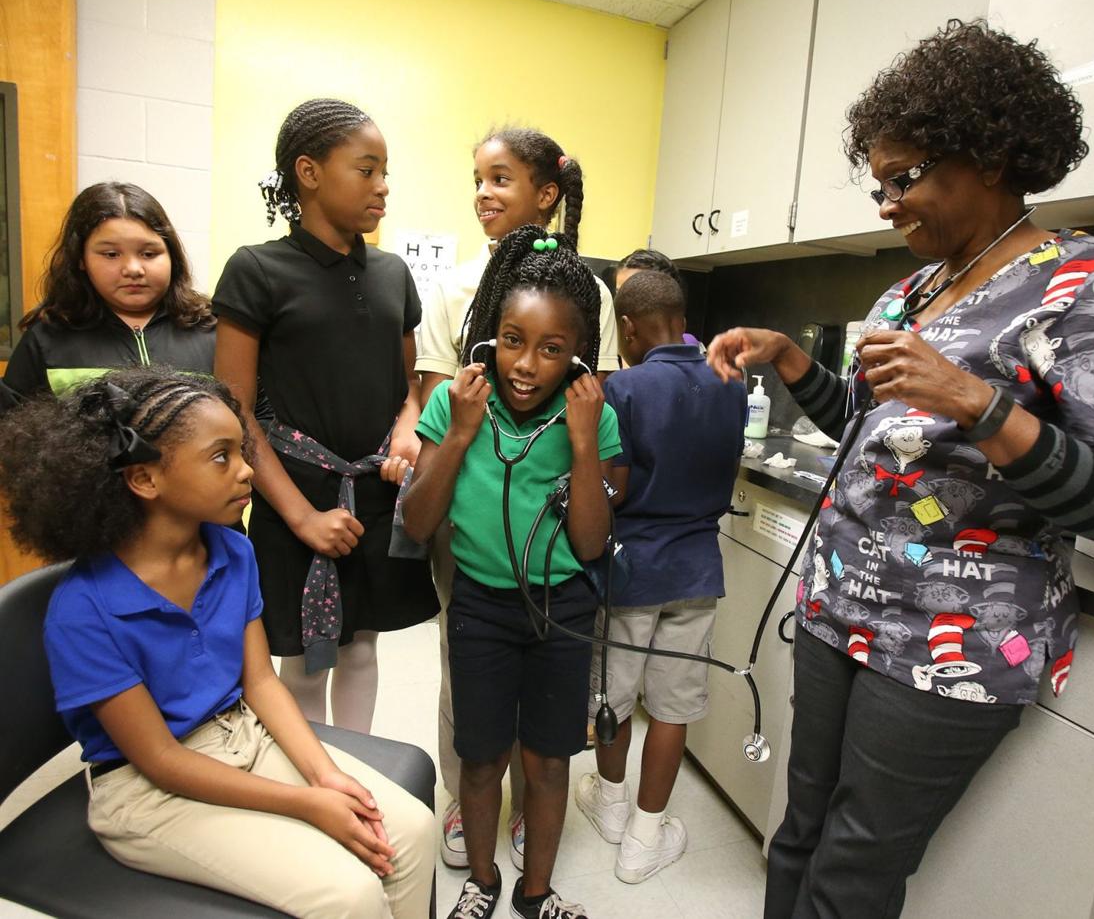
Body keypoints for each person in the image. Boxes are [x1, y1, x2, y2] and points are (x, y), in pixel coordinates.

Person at [706, 19, 1094, 919]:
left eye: (907, 175)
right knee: (798, 832)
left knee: (853, 869)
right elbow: (869, 431)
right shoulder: (909, 291)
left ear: (992, 153)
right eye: (879, 180)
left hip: (950, 643)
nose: (886, 202)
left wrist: (977, 400)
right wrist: (794, 364)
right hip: (835, 606)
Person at [0, 369, 435, 918]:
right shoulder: (83, 611)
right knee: (348, 896)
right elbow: (159, 760)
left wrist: (327, 775)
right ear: (144, 479)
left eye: (241, 451)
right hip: (146, 791)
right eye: (221, 456)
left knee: (411, 832)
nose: (247, 470)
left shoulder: (232, 550)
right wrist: (307, 803)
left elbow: (258, 681)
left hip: (240, 735)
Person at [414, 126, 620, 871]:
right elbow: (440, 413)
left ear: (547, 192)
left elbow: (595, 413)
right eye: (478, 177)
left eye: (501, 178)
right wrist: (458, 437)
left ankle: (534, 818)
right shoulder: (452, 289)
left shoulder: (587, 290)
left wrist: (588, 447)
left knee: (545, 721)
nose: (484, 192)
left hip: (557, 558)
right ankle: (468, 804)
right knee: (468, 683)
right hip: (468, 516)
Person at [212, 98, 437, 734]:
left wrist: (406, 426)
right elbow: (234, 410)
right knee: (305, 658)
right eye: (366, 170)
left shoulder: (394, 274)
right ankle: (312, 780)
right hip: (294, 496)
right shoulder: (256, 270)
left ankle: (360, 769)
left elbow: (409, 386)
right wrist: (302, 517)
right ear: (308, 172)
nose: (383, 186)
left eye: (385, 171)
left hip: (373, 489)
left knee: (361, 643)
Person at [574, 270, 745, 883]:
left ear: (627, 327)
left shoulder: (622, 387)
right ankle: (646, 837)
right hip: (698, 568)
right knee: (673, 707)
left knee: (613, 696)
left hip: (630, 568)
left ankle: (612, 807)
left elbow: (605, 486)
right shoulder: (733, 381)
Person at [2, 182, 214, 404]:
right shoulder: (47, 338)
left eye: (149, 253)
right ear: (81, 259)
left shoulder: (210, 330)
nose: (133, 269)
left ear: (172, 256)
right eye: (111, 254)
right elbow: (11, 428)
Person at [612, 249, 702, 348]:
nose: (622, 303)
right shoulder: (609, 345)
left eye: (635, 294)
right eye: (619, 293)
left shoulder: (687, 345)